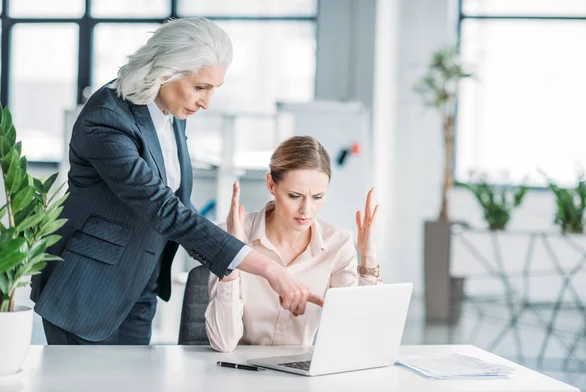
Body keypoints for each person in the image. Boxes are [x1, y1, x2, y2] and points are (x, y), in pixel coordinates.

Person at [30, 18, 322, 346]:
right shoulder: (108, 117)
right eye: (200, 87)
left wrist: (238, 245)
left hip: (140, 283)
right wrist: (268, 268)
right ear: (165, 72)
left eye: (213, 88)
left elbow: (178, 202)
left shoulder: (170, 112)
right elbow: (161, 207)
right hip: (88, 290)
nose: (206, 102)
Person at [205, 136, 381, 352]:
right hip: (239, 371)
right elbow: (223, 342)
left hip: (301, 376)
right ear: (271, 184)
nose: (306, 210)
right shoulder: (234, 233)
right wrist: (232, 255)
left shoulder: (338, 244)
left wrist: (368, 258)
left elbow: (354, 336)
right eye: (295, 196)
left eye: (317, 197)